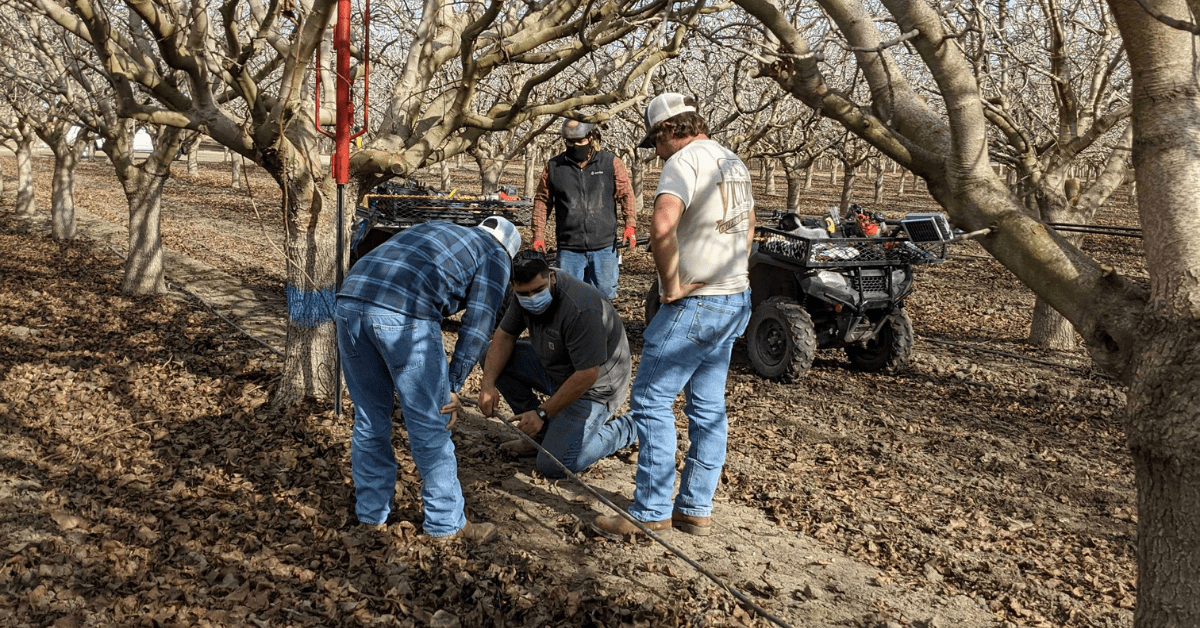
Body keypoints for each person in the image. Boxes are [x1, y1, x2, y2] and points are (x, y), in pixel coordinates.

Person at [594, 93, 755, 537]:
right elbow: (750, 224)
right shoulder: (732, 161)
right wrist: (735, 272)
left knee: (650, 399)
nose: (657, 151)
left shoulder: (683, 163)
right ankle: (695, 508)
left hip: (696, 304)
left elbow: (662, 225)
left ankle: (649, 512)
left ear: (668, 130)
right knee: (707, 406)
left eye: (656, 141)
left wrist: (671, 287)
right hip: (732, 297)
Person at [336, 216, 522, 543]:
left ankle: (370, 515)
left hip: (350, 300)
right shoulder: (495, 254)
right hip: (403, 311)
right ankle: (445, 524)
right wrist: (453, 385)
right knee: (430, 420)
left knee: (368, 417)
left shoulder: (441, 230)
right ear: (510, 251)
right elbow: (478, 325)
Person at [478, 251, 637, 477]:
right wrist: (487, 385)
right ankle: (536, 437)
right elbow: (504, 336)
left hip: (594, 389)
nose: (531, 297)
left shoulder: (581, 307)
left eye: (538, 290)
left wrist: (542, 413)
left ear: (551, 277)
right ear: (513, 286)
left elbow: (587, 374)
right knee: (489, 358)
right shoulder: (520, 296)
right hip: (555, 367)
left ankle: (631, 426)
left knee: (555, 464)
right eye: (524, 293)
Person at [530, 118, 639, 299]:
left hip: (604, 245)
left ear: (591, 137)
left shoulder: (610, 162)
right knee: (568, 297)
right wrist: (538, 235)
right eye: (570, 142)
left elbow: (626, 194)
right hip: (569, 246)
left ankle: (601, 326)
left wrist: (630, 225)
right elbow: (542, 201)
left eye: (580, 141)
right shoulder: (554, 167)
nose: (575, 146)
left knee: (604, 295)